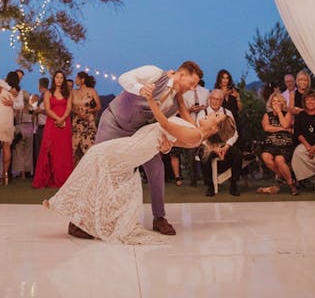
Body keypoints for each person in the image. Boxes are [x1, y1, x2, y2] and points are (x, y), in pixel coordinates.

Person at [44, 94, 226, 244]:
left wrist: (151, 101)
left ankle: (66, 207)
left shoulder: (195, 135)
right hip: (141, 142)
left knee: (97, 156)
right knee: (102, 165)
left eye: (216, 116)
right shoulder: (195, 130)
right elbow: (173, 135)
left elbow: (166, 125)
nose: (211, 113)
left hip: (139, 146)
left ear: (215, 128)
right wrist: (177, 91)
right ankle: (78, 218)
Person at [92, 60, 203, 238]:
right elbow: (124, 78)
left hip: (138, 134)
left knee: (157, 168)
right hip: (114, 122)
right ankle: (78, 222)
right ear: (181, 75)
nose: (192, 88)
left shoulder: (176, 103)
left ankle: (159, 217)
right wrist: (140, 89)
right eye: (191, 83)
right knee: (98, 167)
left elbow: (164, 127)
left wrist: (166, 147)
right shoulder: (155, 73)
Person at [32, 71, 73, 189]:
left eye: (61, 78)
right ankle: (47, 178)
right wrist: (58, 119)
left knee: (63, 151)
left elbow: (69, 108)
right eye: (57, 77)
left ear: (63, 80)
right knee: (49, 149)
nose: (59, 80)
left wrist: (63, 119)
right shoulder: (48, 93)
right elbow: (47, 109)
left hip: (65, 124)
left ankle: (63, 179)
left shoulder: (68, 93)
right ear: (53, 79)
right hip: (52, 123)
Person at [198, 89, 243, 197]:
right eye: (213, 99)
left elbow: (234, 132)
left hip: (224, 143)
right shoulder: (202, 113)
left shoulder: (227, 113)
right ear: (210, 99)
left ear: (222, 101)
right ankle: (209, 185)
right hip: (209, 144)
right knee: (203, 155)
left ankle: (234, 184)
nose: (215, 101)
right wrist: (213, 148)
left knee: (237, 154)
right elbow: (200, 134)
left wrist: (227, 146)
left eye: (218, 99)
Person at [0, 71, 21, 185]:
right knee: (7, 147)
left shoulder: (0, 87)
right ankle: (5, 175)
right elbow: (19, 107)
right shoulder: (17, 92)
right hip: (8, 121)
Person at [260, 91, 298, 195]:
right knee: (265, 157)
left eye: (278, 101)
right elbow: (267, 128)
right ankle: (284, 176)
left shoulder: (287, 114)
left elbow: (285, 124)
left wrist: (280, 113)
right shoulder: (267, 115)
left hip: (285, 145)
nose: (276, 104)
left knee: (279, 159)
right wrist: (282, 129)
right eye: (274, 102)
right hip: (270, 144)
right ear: (271, 103)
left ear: (282, 103)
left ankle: (290, 184)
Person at [181, 80, 210, 185]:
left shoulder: (206, 92)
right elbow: (182, 111)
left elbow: (210, 108)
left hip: (204, 126)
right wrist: (190, 109)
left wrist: (204, 108)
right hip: (191, 125)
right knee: (191, 152)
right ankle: (193, 178)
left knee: (205, 151)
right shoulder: (184, 94)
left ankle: (206, 177)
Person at [71, 71, 101, 164]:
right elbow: (70, 107)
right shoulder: (73, 92)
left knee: (89, 148)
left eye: (77, 78)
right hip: (76, 122)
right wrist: (78, 112)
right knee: (74, 149)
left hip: (88, 122)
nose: (75, 80)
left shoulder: (91, 91)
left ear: (82, 80)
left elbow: (98, 106)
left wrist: (87, 111)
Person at [30, 77, 49, 173]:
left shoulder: (47, 96)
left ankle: (42, 171)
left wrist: (40, 111)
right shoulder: (42, 96)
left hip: (45, 125)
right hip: (39, 126)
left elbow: (50, 111)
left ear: (39, 85)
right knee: (38, 150)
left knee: (42, 150)